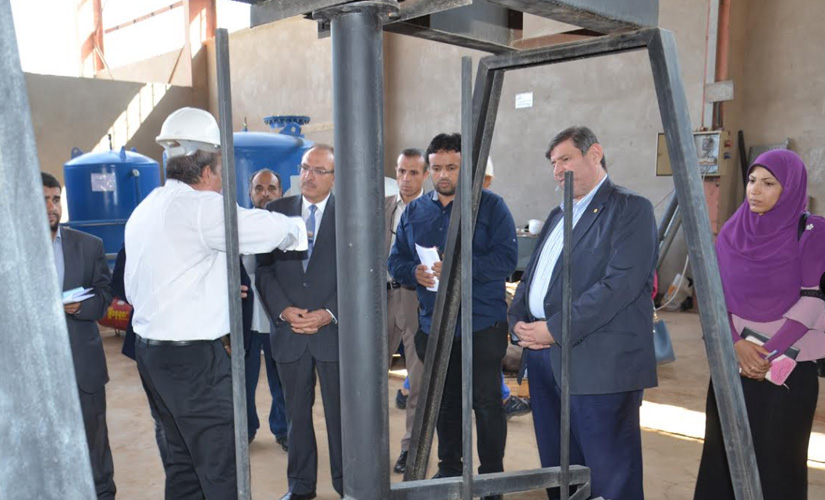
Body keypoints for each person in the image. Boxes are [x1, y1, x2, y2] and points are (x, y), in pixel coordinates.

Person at [124, 107, 306, 500]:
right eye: (221, 172)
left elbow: (163, 277)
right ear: (206, 171)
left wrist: (211, 291)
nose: (223, 181)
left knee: (182, 465)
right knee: (222, 469)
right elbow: (262, 229)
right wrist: (300, 227)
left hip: (152, 355)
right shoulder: (200, 207)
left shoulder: (148, 206)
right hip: (193, 364)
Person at [508, 126, 658, 500]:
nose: (558, 170)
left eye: (566, 159)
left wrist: (554, 329)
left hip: (599, 365)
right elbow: (532, 277)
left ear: (595, 154)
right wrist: (518, 321)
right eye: (553, 163)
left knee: (609, 474)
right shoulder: (557, 215)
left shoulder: (629, 209)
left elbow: (618, 287)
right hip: (544, 358)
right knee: (559, 469)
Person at [389, 133, 517, 492]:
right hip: (434, 324)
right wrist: (412, 272)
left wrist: (459, 267)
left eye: (452, 167)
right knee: (444, 401)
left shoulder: (491, 207)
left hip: (481, 323)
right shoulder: (415, 211)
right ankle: (449, 469)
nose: (443, 175)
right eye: (436, 168)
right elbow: (396, 260)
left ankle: (490, 478)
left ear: (467, 168)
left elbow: (506, 260)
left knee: (486, 402)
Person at [694, 149, 825, 500]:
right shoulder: (732, 232)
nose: (755, 189)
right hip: (732, 363)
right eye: (752, 180)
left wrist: (766, 352)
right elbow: (713, 297)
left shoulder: (813, 232)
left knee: (778, 464)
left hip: (787, 370)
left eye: (768, 183)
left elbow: (813, 300)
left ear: (790, 188)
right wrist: (735, 344)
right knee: (722, 458)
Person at [256, 144, 342, 500]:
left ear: (334, 177)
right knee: (296, 416)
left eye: (319, 171)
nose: (309, 176)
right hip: (290, 330)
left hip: (333, 332)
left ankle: (347, 485)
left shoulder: (349, 213)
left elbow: (359, 273)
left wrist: (329, 313)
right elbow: (264, 270)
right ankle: (301, 487)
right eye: (305, 168)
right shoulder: (276, 212)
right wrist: (283, 310)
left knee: (341, 417)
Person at [42, 172, 116, 499]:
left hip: (82, 365)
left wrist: (81, 308)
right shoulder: (10, 249)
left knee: (94, 441)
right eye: (43, 200)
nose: (51, 207)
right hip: (35, 369)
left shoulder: (89, 246)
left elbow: (104, 296)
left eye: (56, 199)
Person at [385, 148, 429, 474]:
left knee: (418, 379)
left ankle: (411, 450)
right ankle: (372, 445)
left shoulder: (435, 210)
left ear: (425, 175)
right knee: (371, 377)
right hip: (383, 299)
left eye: (414, 172)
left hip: (417, 300)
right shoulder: (383, 208)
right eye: (402, 171)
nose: (406, 179)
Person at [243, 169, 289, 451]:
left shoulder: (289, 225)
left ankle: (283, 429)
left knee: (281, 378)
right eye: (259, 188)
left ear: (280, 192)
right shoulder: (239, 225)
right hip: (247, 317)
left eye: (271, 188)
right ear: (250, 193)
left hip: (279, 316)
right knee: (244, 379)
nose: (265, 194)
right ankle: (246, 428)